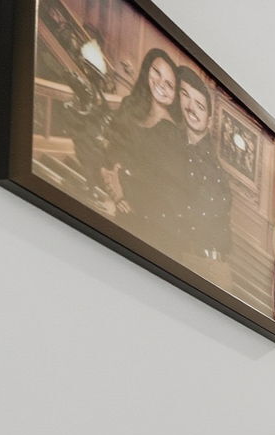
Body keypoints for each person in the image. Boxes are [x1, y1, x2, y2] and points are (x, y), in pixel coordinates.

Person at [97, 47, 186, 233]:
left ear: (175, 96)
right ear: (147, 69)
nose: (161, 84)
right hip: (107, 194)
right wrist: (110, 182)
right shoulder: (129, 104)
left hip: (141, 218)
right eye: (156, 72)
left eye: (170, 85)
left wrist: (121, 194)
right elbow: (108, 146)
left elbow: (160, 185)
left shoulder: (172, 133)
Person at [169, 65, 233, 269]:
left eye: (200, 105)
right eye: (185, 95)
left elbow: (206, 210)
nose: (191, 107)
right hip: (177, 254)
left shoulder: (211, 166)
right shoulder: (172, 142)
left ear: (210, 120)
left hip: (206, 266)